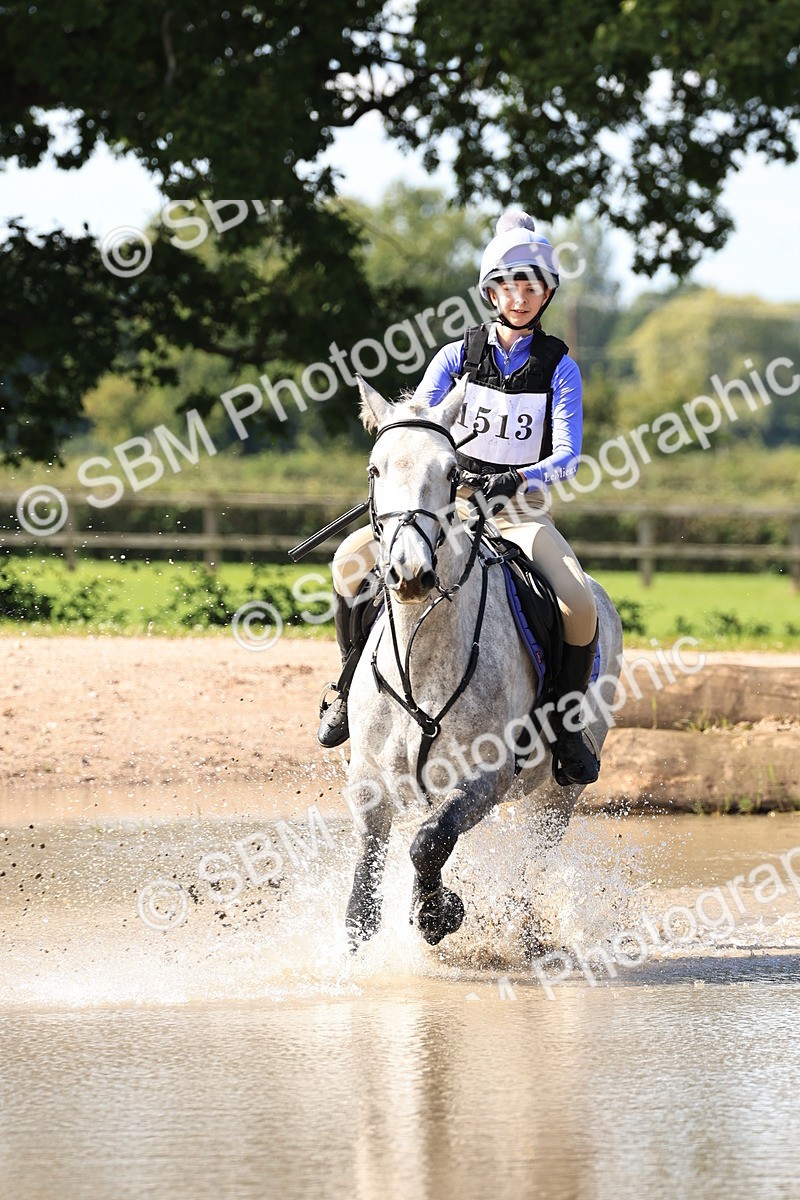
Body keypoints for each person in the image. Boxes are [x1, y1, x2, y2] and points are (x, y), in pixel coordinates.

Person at [317, 211, 599, 786]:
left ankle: (566, 729)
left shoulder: (559, 368)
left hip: (519, 515)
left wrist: (518, 478)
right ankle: (346, 686)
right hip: (443, 513)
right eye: (508, 285)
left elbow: (569, 454)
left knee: (578, 601)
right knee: (350, 562)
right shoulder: (454, 356)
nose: (519, 297)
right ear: (490, 291)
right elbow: (416, 428)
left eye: (531, 286)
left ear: (547, 293)